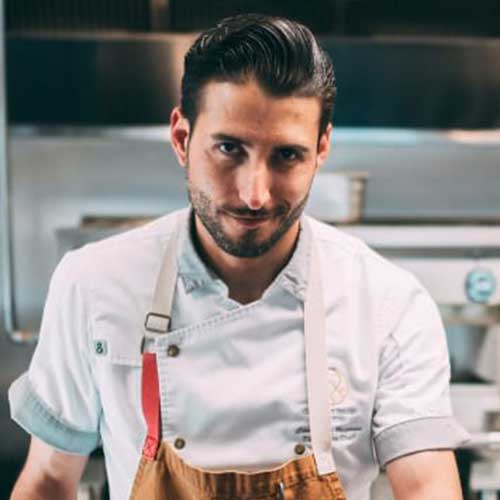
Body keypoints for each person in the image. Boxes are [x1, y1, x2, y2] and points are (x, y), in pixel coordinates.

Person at [8, 13, 468, 500]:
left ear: (321, 149)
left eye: (287, 156)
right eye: (229, 148)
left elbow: (427, 486)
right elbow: (49, 479)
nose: (255, 194)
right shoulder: (94, 284)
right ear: (182, 138)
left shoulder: (389, 304)